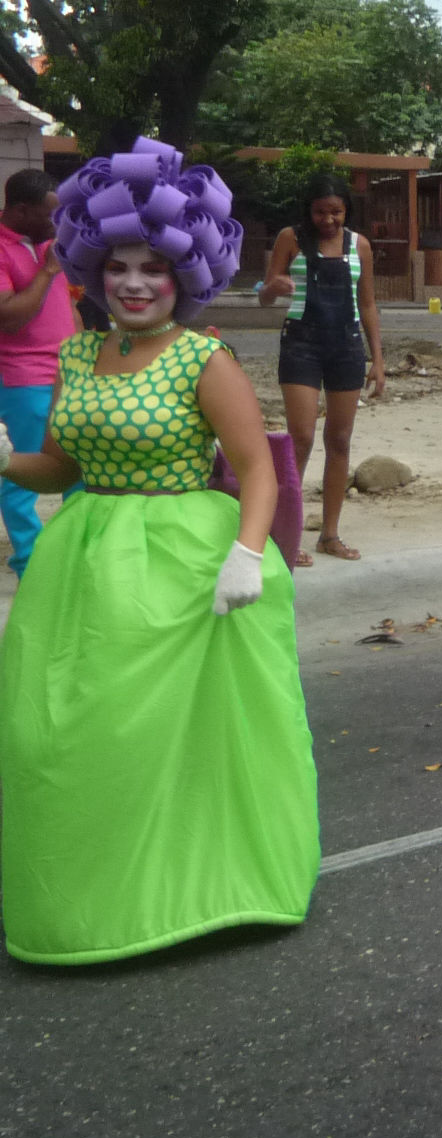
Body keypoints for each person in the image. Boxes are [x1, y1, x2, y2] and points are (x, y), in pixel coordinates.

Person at [0, 140, 318, 963]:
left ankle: (190, 894)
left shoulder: (202, 358)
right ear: (94, 268)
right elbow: (63, 466)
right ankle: (85, 898)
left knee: (156, 736)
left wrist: (248, 554)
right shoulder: (77, 353)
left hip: (182, 562)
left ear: (184, 275)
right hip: (82, 561)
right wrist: (4, 455)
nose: (134, 283)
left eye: (154, 268)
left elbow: (257, 472)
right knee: (56, 736)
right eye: (119, 267)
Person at [259, 172, 386, 565]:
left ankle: (329, 535)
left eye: (336, 212)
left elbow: (367, 304)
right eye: (320, 212)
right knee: (300, 438)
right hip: (301, 344)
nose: (328, 220)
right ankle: (285, 535)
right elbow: (265, 296)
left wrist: (378, 359)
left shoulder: (359, 246)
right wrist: (272, 289)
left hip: (346, 345)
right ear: (308, 211)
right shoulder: (290, 239)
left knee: (341, 440)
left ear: (347, 210)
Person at [0, 168, 74, 578]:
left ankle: (73, 554)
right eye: (50, 216)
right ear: (22, 210)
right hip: (24, 377)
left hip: (69, 372)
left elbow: (69, 308)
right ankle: (30, 564)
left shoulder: (46, 240)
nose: (57, 223)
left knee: (79, 466)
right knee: (23, 473)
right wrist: (46, 270)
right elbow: (9, 319)